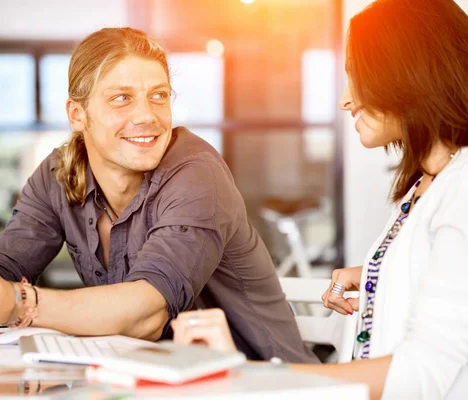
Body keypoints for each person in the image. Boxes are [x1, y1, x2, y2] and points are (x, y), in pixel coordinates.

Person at [0, 27, 317, 363]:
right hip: (152, 379)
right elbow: (4, 265)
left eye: (159, 96)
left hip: (262, 384)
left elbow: (146, 317)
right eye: (121, 98)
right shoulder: (58, 173)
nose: (147, 115)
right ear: (77, 115)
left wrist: (17, 303)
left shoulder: (198, 176)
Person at [171, 0, 468, 398]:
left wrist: (249, 377)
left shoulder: (460, 190)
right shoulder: (429, 184)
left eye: (358, 77)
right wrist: (381, 272)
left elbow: (420, 375)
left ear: (407, 75)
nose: (345, 100)